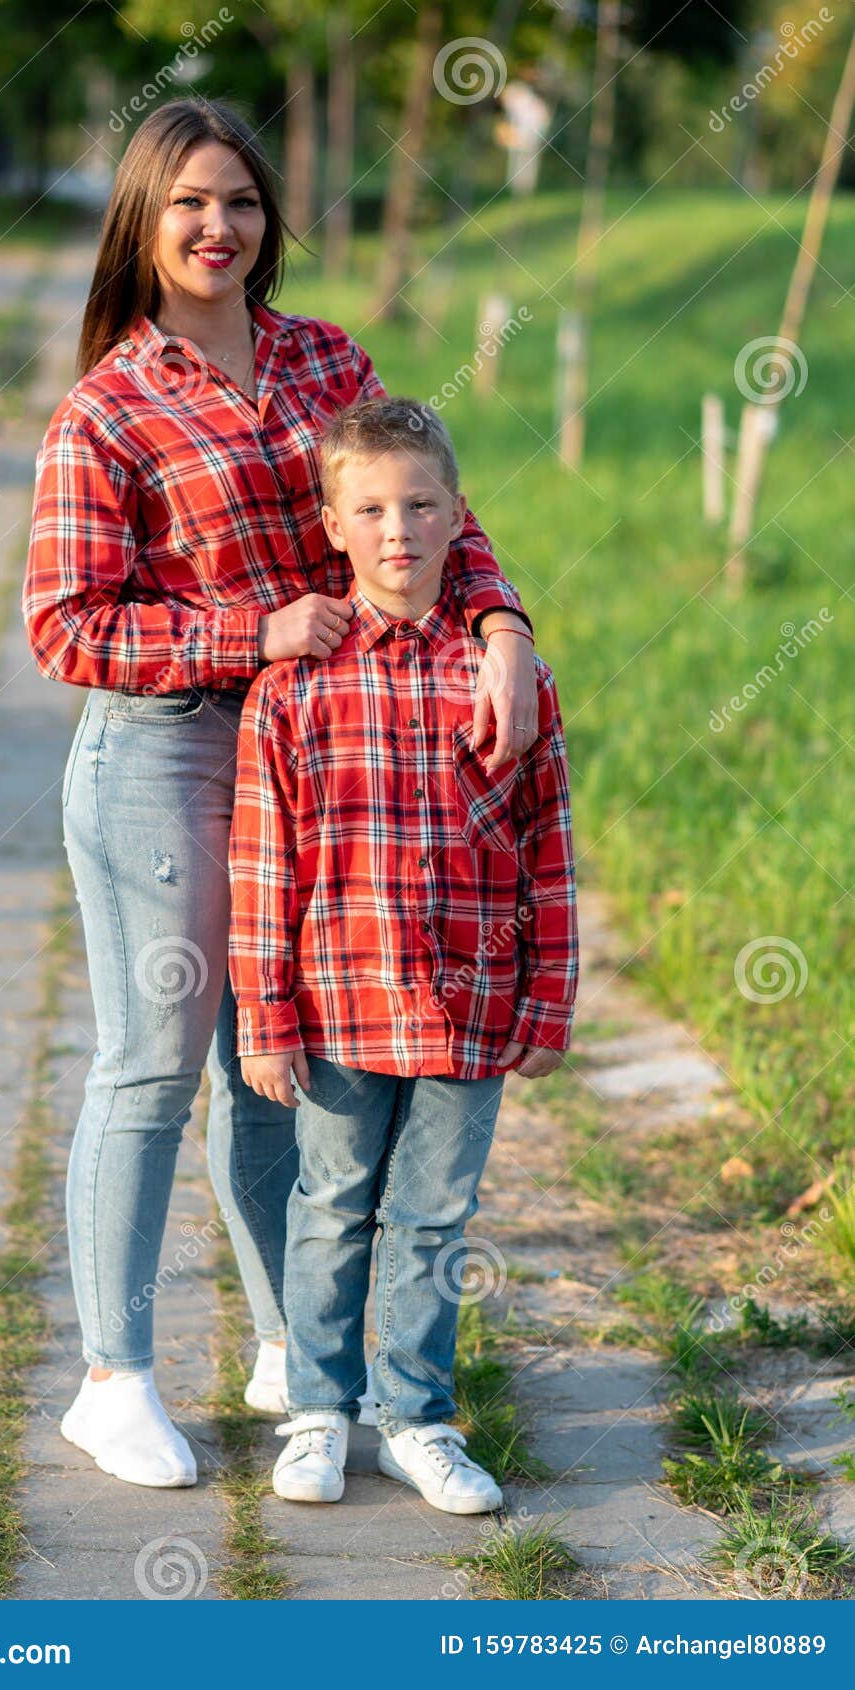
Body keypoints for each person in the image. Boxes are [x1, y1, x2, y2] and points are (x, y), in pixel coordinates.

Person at [23, 97, 540, 1490]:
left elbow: (425, 507)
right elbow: (65, 625)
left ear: (271, 217)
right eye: (189, 203)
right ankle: (113, 1379)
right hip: (168, 753)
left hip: (317, 751)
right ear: (144, 220)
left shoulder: (325, 358)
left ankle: (289, 1351)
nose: (219, 226)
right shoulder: (108, 406)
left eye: (242, 201)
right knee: (152, 1063)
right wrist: (247, 632)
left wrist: (503, 626)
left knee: (277, 1056)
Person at [229, 397, 578, 1513]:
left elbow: (549, 853)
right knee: (331, 1206)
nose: (399, 530)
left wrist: (549, 1003)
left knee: (434, 1220)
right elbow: (262, 870)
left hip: (472, 1008)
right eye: (372, 510)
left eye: (421, 505)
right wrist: (265, 1018)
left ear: (458, 515)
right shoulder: (292, 690)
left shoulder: (507, 681)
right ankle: (319, 1413)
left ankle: (416, 1418)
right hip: (340, 1005)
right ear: (333, 525)